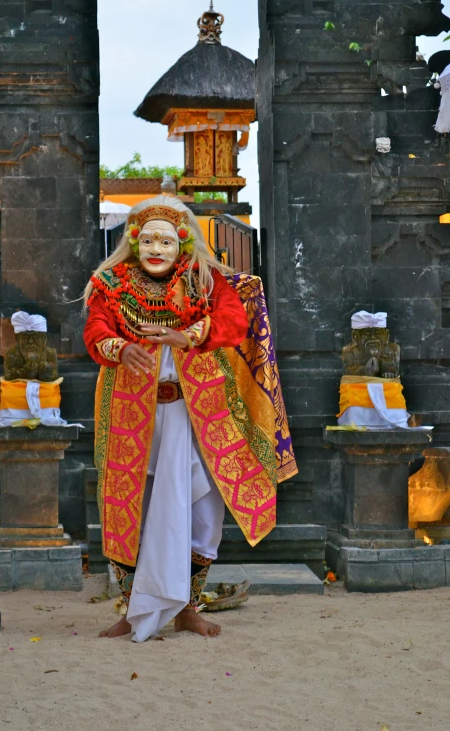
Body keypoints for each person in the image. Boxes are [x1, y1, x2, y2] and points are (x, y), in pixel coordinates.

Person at [83, 195, 297, 642]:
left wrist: (187, 335)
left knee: (204, 510)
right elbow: (95, 331)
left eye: (165, 240)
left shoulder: (205, 280)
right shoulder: (110, 284)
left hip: (198, 409)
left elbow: (233, 321)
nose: (156, 249)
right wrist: (120, 349)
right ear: (133, 242)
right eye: (147, 240)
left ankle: (187, 607)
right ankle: (130, 608)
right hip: (130, 408)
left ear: (182, 241)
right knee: (129, 506)